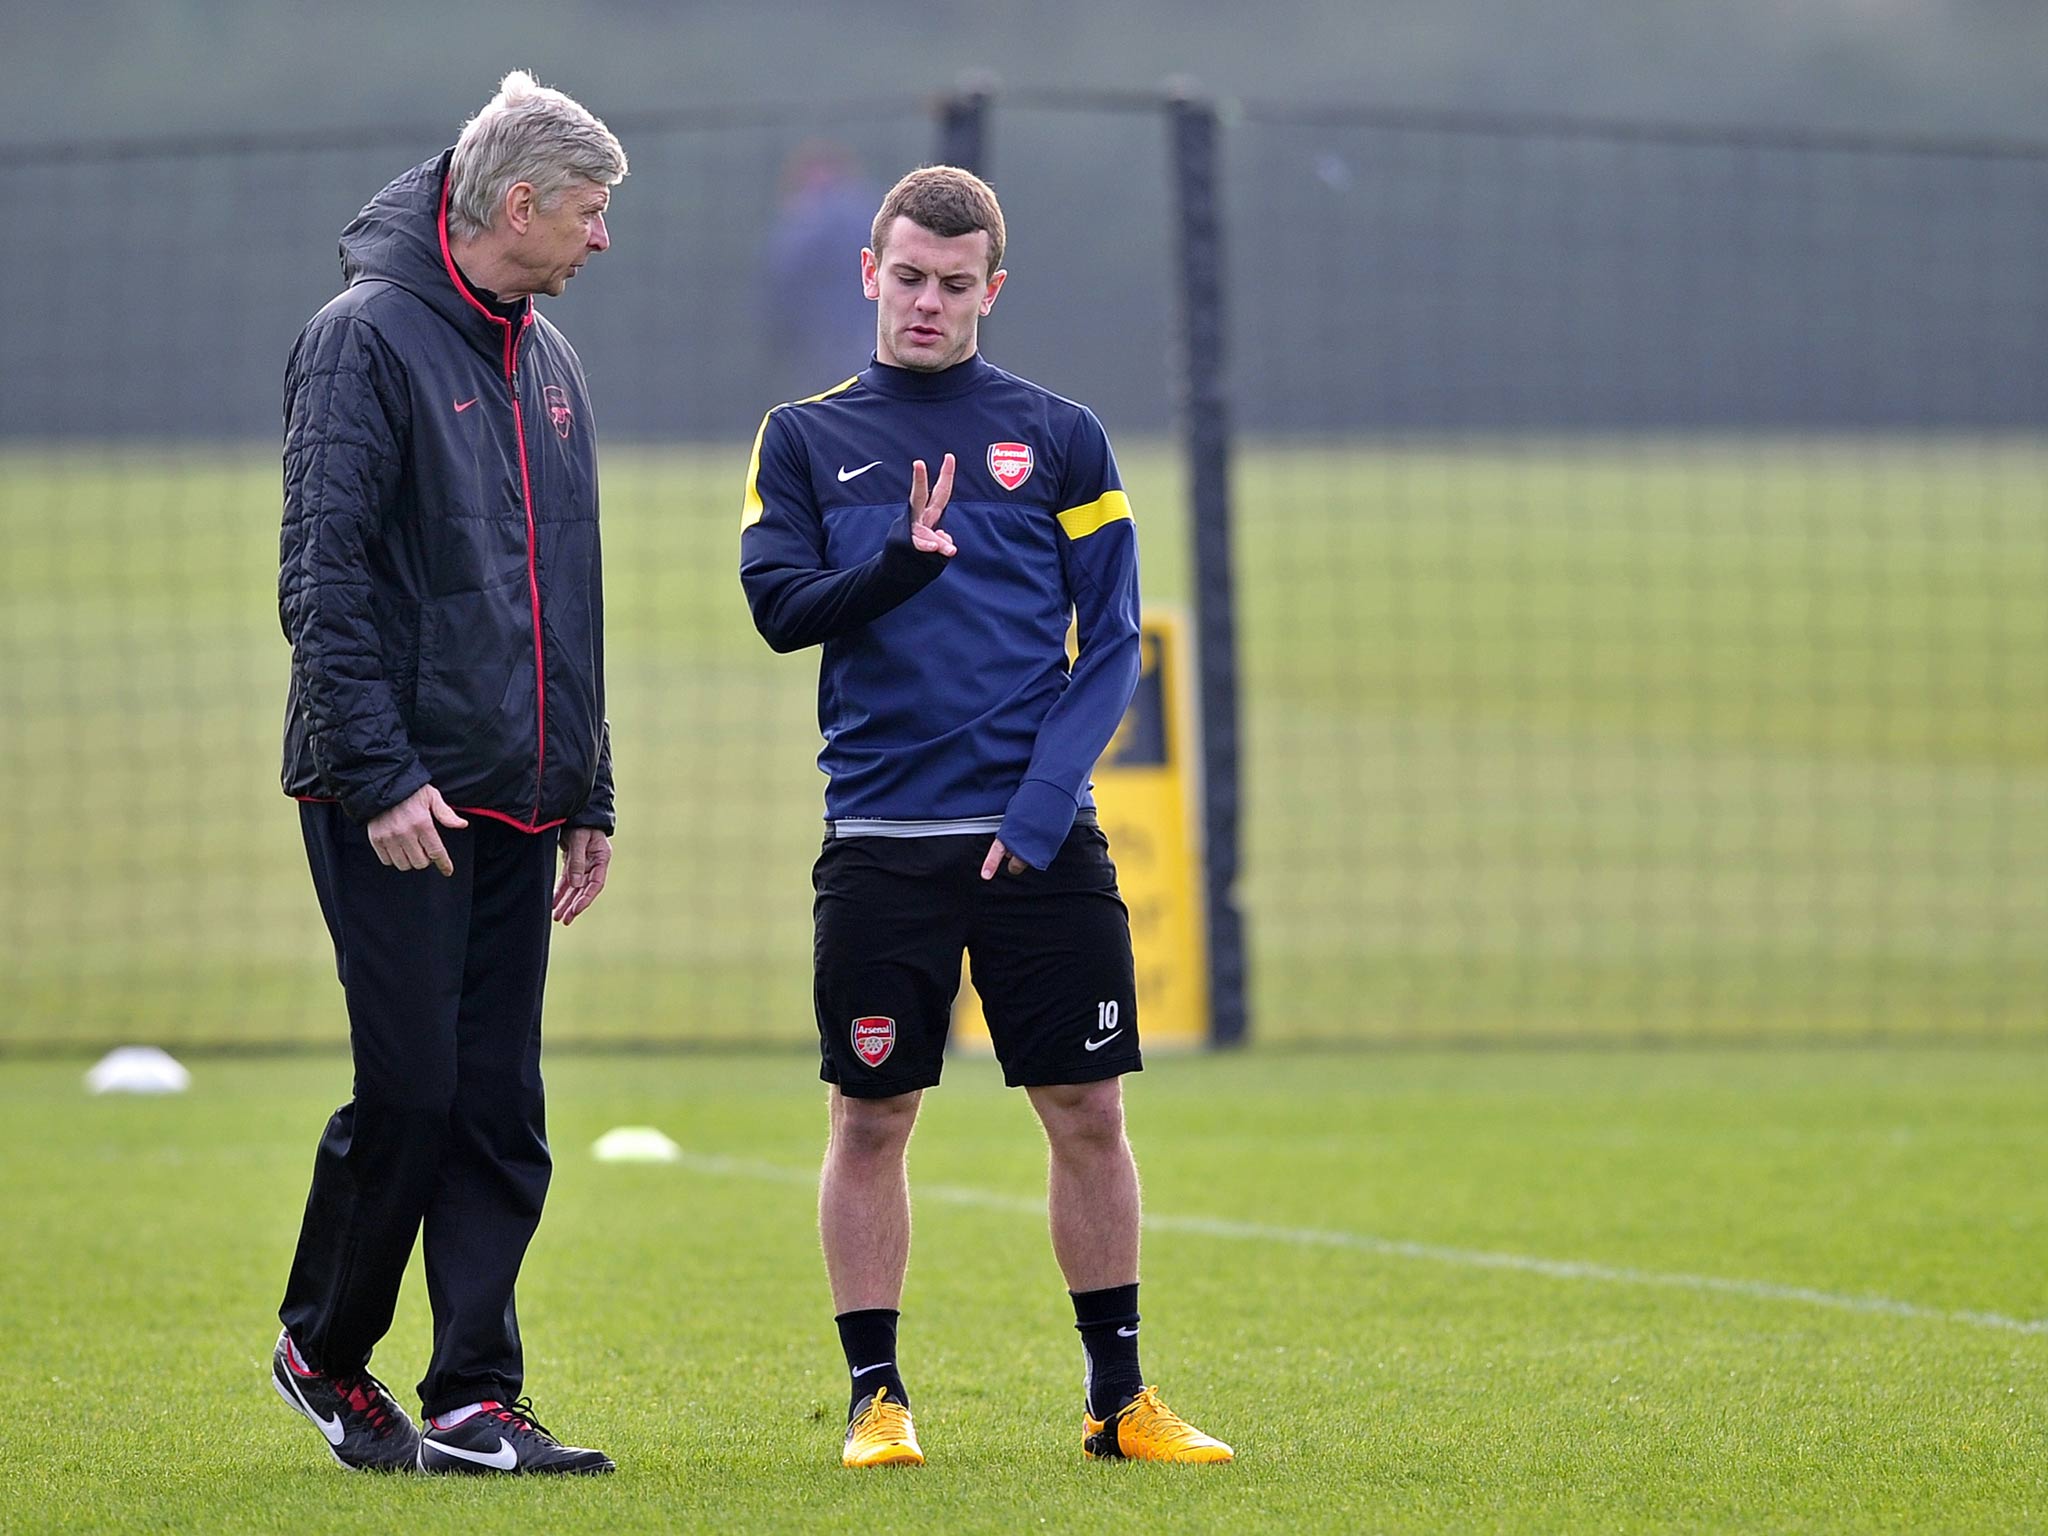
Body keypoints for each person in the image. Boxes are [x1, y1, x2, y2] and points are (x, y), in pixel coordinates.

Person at [740, 165, 1233, 1468]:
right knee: (871, 1118)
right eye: (908, 277)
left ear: (990, 292)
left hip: (1038, 838)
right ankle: (876, 1403)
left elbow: (1114, 640)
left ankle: (1119, 1402)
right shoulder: (803, 438)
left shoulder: (1060, 437)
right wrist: (897, 566)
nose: (927, 302)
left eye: (956, 285)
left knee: (1088, 1113)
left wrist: (1039, 798)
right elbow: (779, 610)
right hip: (883, 840)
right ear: (869, 273)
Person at [271, 70, 625, 1476]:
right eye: (590, 214)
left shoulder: (549, 359)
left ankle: (478, 1397)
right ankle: (325, 1348)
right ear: (519, 204)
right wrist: (376, 772)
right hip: (397, 797)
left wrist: (588, 788)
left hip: (521, 794)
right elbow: (323, 575)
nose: (603, 240)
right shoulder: (359, 342)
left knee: (499, 1106)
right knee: (411, 1094)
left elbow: (569, 590)